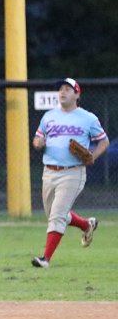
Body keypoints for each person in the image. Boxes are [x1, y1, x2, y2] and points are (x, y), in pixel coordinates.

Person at [30, 78, 109, 268]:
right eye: (60, 89)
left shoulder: (88, 118)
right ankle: (86, 225)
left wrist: (92, 156)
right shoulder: (49, 116)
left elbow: (104, 141)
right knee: (55, 214)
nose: (62, 92)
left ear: (77, 94)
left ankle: (45, 259)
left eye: (67, 89)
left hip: (73, 172)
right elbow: (37, 138)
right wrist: (38, 143)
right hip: (49, 172)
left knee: (57, 215)